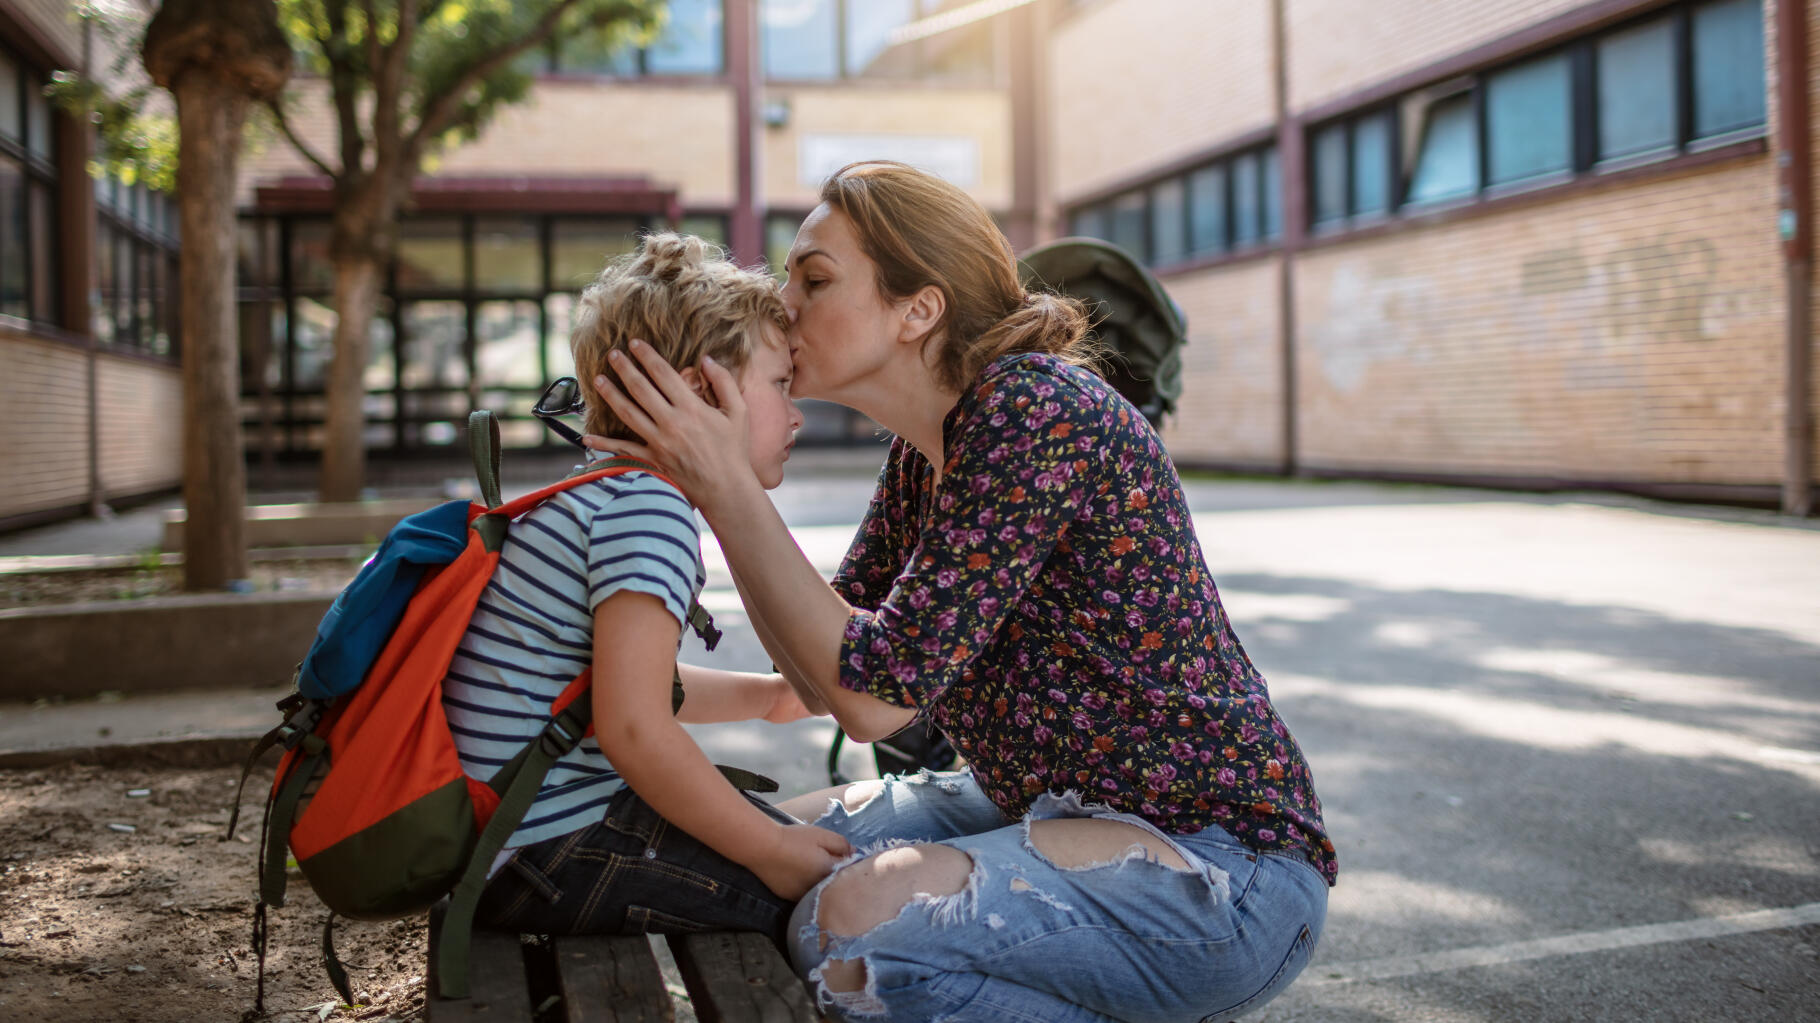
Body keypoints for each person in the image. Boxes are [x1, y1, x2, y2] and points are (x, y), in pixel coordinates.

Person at [591, 163, 1337, 1023]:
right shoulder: (923, 450)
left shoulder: (1032, 409)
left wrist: (727, 487)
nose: (782, 303)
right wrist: (707, 479)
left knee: (851, 925)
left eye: (815, 278)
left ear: (919, 308)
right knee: (740, 857)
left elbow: (874, 700)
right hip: (1043, 800)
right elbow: (822, 671)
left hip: (1219, 865)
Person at [443, 233, 850, 945]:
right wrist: (770, 849)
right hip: (546, 849)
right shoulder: (650, 509)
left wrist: (765, 696)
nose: (797, 414)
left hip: (511, 841)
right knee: (832, 909)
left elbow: (615, 686)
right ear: (700, 392)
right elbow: (633, 727)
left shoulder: (600, 491)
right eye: (780, 385)